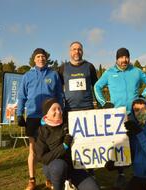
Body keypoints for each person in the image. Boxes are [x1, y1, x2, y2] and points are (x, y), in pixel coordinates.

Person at [94, 47, 146, 189]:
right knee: (120, 143)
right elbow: (97, 87)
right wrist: (104, 103)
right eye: (121, 57)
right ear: (116, 59)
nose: (124, 60)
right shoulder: (109, 73)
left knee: (139, 141)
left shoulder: (136, 71)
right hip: (118, 114)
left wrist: (143, 96)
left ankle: (140, 173)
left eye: (126, 57)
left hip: (136, 113)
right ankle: (120, 175)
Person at [17, 48, 64, 190]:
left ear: (46, 58)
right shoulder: (27, 76)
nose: (41, 59)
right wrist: (19, 114)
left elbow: (59, 95)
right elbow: (21, 96)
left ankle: (49, 178)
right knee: (33, 150)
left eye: (43, 56)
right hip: (33, 117)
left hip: (51, 118)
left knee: (50, 148)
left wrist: (62, 112)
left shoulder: (53, 74)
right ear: (34, 59)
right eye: (38, 56)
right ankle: (32, 180)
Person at [105, 98, 146, 190]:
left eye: (143, 109)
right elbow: (130, 157)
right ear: (133, 112)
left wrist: (139, 133)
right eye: (136, 110)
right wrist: (116, 163)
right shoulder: (132, 129)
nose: (140, 112)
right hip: (140, 175)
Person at [35, 98, 100, 190]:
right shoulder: (41, 131)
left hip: (73, 167)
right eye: (54, 109)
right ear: (46, 115)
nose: (58, 112)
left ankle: (70, 182)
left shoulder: (70, 123)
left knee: (94, 188)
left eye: (59, 109)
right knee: (59, 166)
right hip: (53, 167)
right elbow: (43, 158)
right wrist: (64, 146)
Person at [58, 41, 98, 177]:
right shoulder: (63, 68)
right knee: (71, 141)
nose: (77, 52)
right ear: (70, 52)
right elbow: (57, 88)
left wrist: (100, 104)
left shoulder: (89, 67)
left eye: (79, 49)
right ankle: (71, 172)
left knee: (89, 141)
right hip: (70, 111)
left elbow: (96, 87)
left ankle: (91, 171)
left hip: (88, 109)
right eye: (74, 49)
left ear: (83, 51)